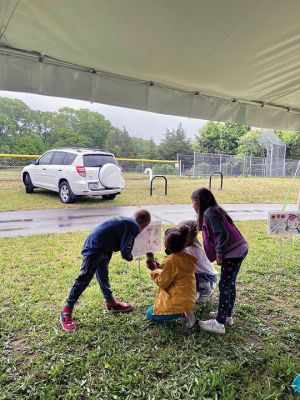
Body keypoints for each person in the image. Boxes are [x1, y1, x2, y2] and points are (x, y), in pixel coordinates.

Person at [60, 209, 151, 331]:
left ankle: (111, 303)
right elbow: (126, 252)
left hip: (103, 246)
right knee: (84, 278)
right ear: (144, 224)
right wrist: (131, 256)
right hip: (95, 247)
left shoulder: (126, 221)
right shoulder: (134, 226)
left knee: (103, 275)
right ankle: (66, 311)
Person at [191, 188, 248, 334]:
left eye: (194, 202)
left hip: (233, 252)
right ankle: (226, 316)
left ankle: (219, 323)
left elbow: (221, 234)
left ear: (200, 202)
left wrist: (220, 253)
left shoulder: (209, 213)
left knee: (224, 286)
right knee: (229, 284)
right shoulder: (214, 209)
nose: (193, 206)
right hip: (240, 248)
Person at [146, 227, 197, 327]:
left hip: (178, 301)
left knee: (149, 313)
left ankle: (180, 313)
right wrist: (159, 266)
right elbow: (176, 272)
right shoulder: (188, 257)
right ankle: (185, 311)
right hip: (189, 297)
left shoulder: (171, 260)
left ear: (168, 248)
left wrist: (154, 270)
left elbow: (162, 283)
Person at [178, 220, 217, 303]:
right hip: (209, 278)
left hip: (206, 279)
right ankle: (204, 292)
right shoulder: (195, 245)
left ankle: (204, 294)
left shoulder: (190, 249)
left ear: (188, 237)